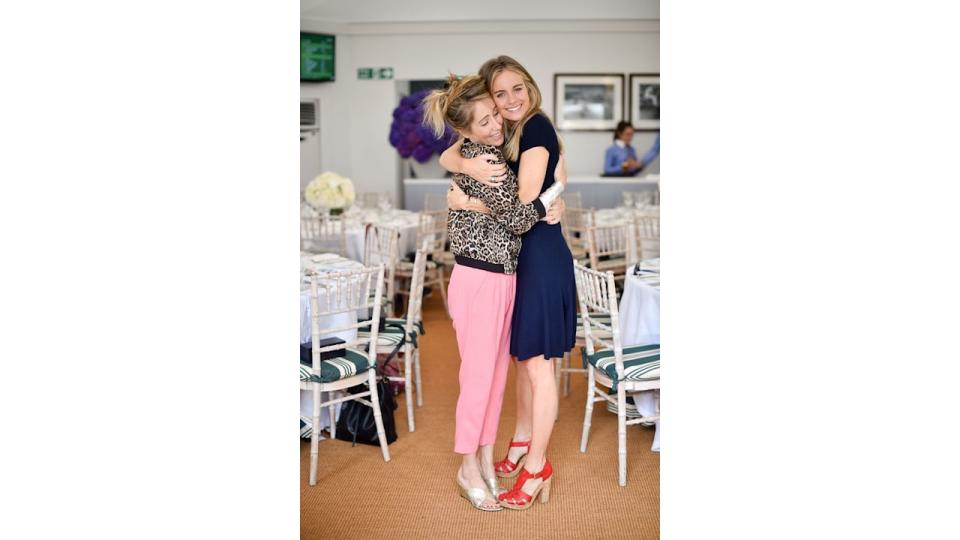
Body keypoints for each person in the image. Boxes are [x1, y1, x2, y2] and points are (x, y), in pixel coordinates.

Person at [423, 74, 565, 512]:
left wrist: (469, 196)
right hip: (481, 277)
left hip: (503, 276)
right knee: (478, 379)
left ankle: (483, 457)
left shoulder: (486, 151)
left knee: (493, 378)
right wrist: (550, 198)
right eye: (485, 118)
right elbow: (519, 218)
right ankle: (468, 467)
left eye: (494, 115)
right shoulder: (487, 160)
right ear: (465, 129)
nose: (495, 123)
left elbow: (501, 204)